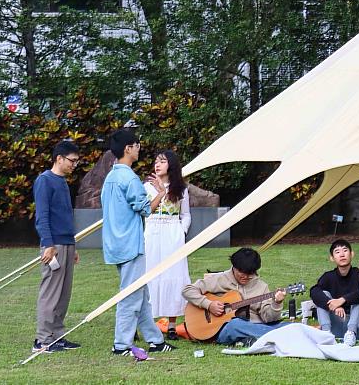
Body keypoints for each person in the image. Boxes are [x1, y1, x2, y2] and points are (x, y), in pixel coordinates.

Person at [101, 129, 174, 355]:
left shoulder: (110, 177)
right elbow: (144, 209)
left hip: (115, 243)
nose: (139, 149)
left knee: (141, 295)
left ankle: (156, 340)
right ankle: (120, 344)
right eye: (137, 146)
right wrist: (161, 194)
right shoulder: (129, 178)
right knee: (130, 296)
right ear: (128, 149)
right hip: (130, 245)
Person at [32, 140, 82, 353]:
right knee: (50, 293)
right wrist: (48, 244)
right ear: (59, 159)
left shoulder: (62, 182)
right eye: (72, 161)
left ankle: (57, 336)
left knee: (63, 294)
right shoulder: (45, 180)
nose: (74, 165)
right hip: (53, 246)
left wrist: (73, 245)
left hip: (66, 243)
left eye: (76, 162)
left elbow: (64, 216)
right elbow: (42, 216)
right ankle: (42, 340)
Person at [182, 248, 286, 345]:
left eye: (249, 273)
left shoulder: (262, 287)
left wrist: (276, 303)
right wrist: (208, 304)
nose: (245, 277)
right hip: (223, 330)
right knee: (235, 325)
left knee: (286, 325)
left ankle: (255, 338)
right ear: (234, 267)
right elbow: (187, 290)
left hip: (255, 326)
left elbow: (269, 319)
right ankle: (278, 335)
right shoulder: (220, 279)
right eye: (241, 272)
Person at [143, 150, 192, 339]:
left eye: (162, 161)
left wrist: (181, 231)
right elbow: (145, 211)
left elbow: (186, 214)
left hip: (173, 232)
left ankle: (172, 324)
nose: (157, 165)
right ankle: (146, 321)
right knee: (150, 274)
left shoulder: (181, 188)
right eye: (156, 161)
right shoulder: (147, 187)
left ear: (171, 164)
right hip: (153, 230)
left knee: (174, 274)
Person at [309, 239, 359, 346]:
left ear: (352, 254)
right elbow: (314, 291)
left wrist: (342, 300)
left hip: (357, 323)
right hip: (336, 321)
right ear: (332, 258)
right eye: (337, 252)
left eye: (345, 250)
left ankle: (351, 333)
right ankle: (326, 334)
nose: (342, 255)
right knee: (322, 294)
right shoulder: (328, 276)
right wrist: (332, 304)